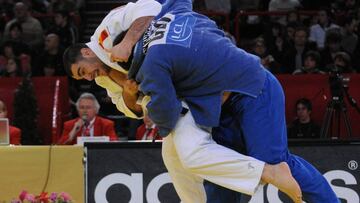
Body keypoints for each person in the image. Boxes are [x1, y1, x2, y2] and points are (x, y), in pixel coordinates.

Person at [63, 0, 303, 202]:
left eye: (83, 71)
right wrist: (127, 91)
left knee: (192, 154)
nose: (88, 78)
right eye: (82, 77)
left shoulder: (106, 31)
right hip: (163, 102)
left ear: (86, 53)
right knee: (175, 160)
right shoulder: (103, 79)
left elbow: (150, 7)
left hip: (184, 88)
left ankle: (267, 171)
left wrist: (126, 43)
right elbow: (130, 109)